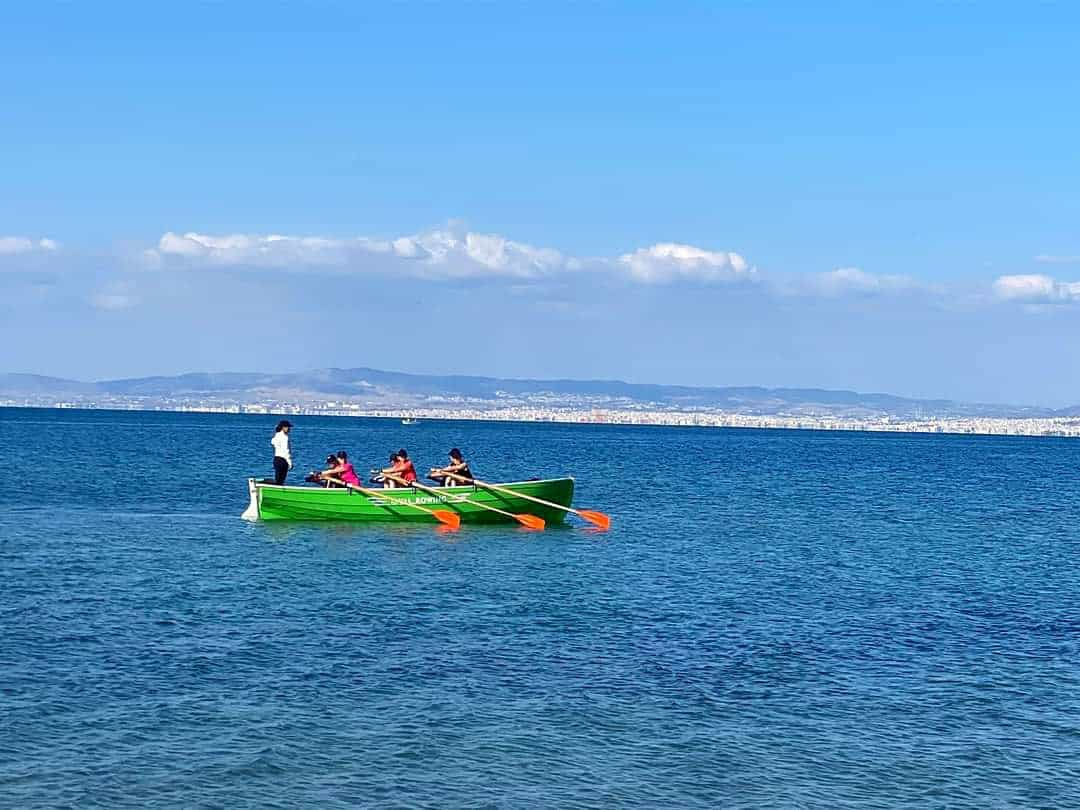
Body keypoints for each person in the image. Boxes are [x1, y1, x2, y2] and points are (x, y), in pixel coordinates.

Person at [271, 420, 293, 485]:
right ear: (282, 428)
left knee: (277, 478)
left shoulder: (277, 435)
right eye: (287, 427)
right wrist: (290, 462)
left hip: (276, 459)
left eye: (288, 427)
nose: (288, 428)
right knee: (281, 480)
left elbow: (272, 442)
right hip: (283, 460)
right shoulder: (284, 437)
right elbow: (286, 450)